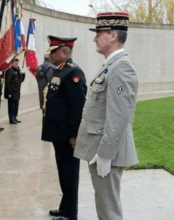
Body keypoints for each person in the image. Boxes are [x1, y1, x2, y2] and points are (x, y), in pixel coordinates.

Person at [74, 12, 139, 220]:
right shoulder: (111, 66)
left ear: (112, 36)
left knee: (109, 211)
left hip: (107, 152)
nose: (95, 38)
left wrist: (105, 154)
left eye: (99, 33)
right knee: (105, 207)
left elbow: (119, 116)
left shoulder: (121, 68)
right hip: (102, 149)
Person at [42, 36, 87, 220]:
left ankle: (71, 214)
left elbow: (77, 107)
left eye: (54, 51)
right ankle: (65, 206)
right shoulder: (59, 71)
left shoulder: (73, 73)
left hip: (67, 135)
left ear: (65, 52)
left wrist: (75, 135)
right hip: (58, 133)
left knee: (70, 173)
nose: (50, 54)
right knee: (63, 171)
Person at [4, 58, 25, 124]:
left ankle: (15, 117)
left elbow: (21, 80)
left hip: (17, 91)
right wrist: (9, 92)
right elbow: (7, 82)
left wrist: (23, 74)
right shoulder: (10, 71)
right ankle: (11, 119)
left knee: (16, 106)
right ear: (11, 63)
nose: (16, 64)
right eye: (15, 63)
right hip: (12, 91)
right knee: (11, 106)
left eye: (17, 63)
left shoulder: (18, 70)